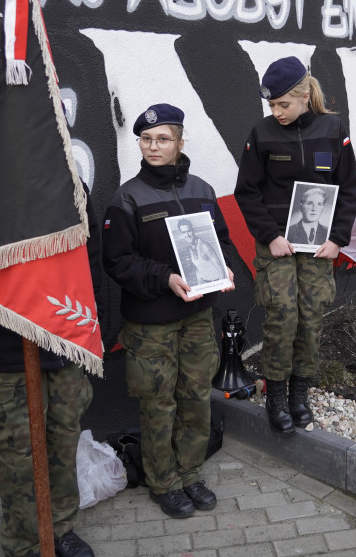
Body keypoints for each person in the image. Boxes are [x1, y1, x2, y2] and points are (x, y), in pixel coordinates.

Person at [102, 103, 234, 519]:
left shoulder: (203, 190)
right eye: (146, 139)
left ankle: (191, 473)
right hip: (151, 324)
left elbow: (221, 241)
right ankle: (164, 482)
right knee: (158, 405)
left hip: (197, 317)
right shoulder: (127, 198)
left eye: (163, 139)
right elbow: (117, 261)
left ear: (180, 142)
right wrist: (165, 278)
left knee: (195, 397)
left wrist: (223, 266)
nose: (153, 146)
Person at [0, 187, 102, 557]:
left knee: (64, 440)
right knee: (19, 455)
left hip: (63, 342)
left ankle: (62, 528)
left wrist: (91, 324)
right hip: (2, 348)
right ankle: (25, 543)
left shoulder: (69, 183)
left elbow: (89, 256)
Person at [234, 56, 356, 435]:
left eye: (283, 104)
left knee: (310, 317)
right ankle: (276, 396)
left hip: (318, 245)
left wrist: (337, 239)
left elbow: (347, 188)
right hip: (277, 244)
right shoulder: (262, 133)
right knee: (282, 317)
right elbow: (247, 191)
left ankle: (299, 395)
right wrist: (270, 236)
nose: (277, 112)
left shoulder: (333, 130)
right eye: (272, 105)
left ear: (305, 96)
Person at [176, 218, 222, 285]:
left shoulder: (204, 246)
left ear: (193, 230)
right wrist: (199, 285)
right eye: (184, 232)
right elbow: (198, 269)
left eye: (189, 231)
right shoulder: (191, 248)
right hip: (205, 283)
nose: (187, 235)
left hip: (215, 282)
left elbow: (221, 269)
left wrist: (221, 286)